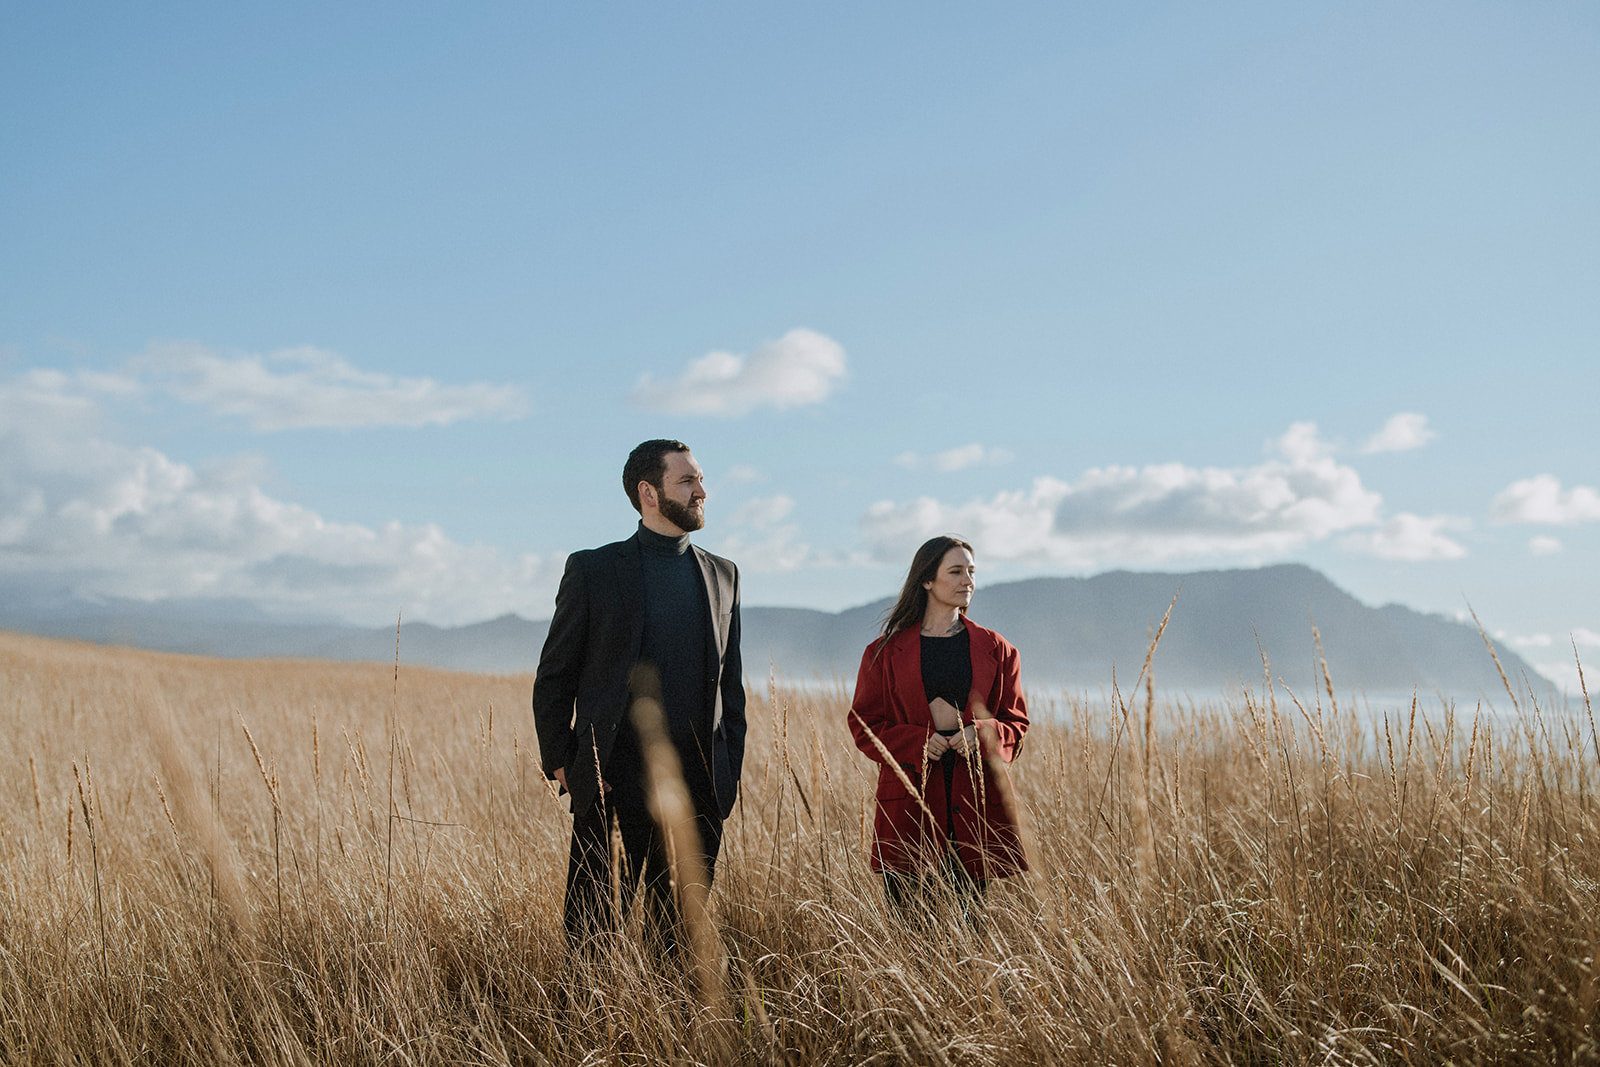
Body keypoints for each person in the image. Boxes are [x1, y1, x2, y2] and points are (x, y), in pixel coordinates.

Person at [532, 439, 746, 952]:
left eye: (700, 479)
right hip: (614, 781)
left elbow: (731, 684)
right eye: (687, 481)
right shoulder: (594, 570)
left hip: (698, 786)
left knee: (677, 943)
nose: (701, 491)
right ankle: (591, 1011)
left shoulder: (724, 574)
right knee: (592, 940)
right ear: (648, 493)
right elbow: (555, 675)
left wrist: (728, 768)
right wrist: (563, 762)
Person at [848, 535, 1028, 921]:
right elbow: (863, 724)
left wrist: (980, 734)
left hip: (975, 803)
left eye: (972, 571)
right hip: (909, 801)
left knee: (971, 929)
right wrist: (917, 742)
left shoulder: (999, 649)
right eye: (956, 571)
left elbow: (1016, 723)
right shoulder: (883, 652)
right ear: (927, 580)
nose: (968, 581)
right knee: (910, 929)